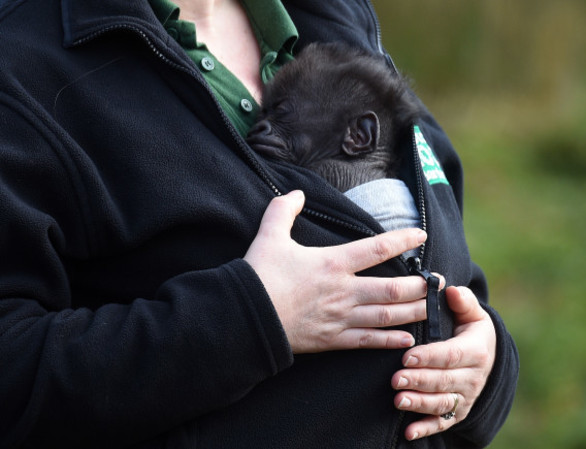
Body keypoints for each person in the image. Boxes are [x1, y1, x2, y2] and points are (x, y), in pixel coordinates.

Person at [0, 0, 518, 448]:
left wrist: (486, 368)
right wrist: (249, 317)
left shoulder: (334, 12)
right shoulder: (20, 64)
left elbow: (448, 255)